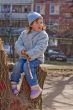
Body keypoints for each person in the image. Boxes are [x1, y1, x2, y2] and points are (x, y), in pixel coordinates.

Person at [10, 12, 49, 99]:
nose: (40, 24)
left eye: (41, 22)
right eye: (37, 22)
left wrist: (29, 53)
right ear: (31, 25)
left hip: (36, 58)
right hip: (24, 57)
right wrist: (21, 50)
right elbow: (18, 43)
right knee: (18, 65)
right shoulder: (24, 33)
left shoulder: (43, 35)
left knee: (27, 66)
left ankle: (35, 87)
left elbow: (40, 47)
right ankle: (13, 83)